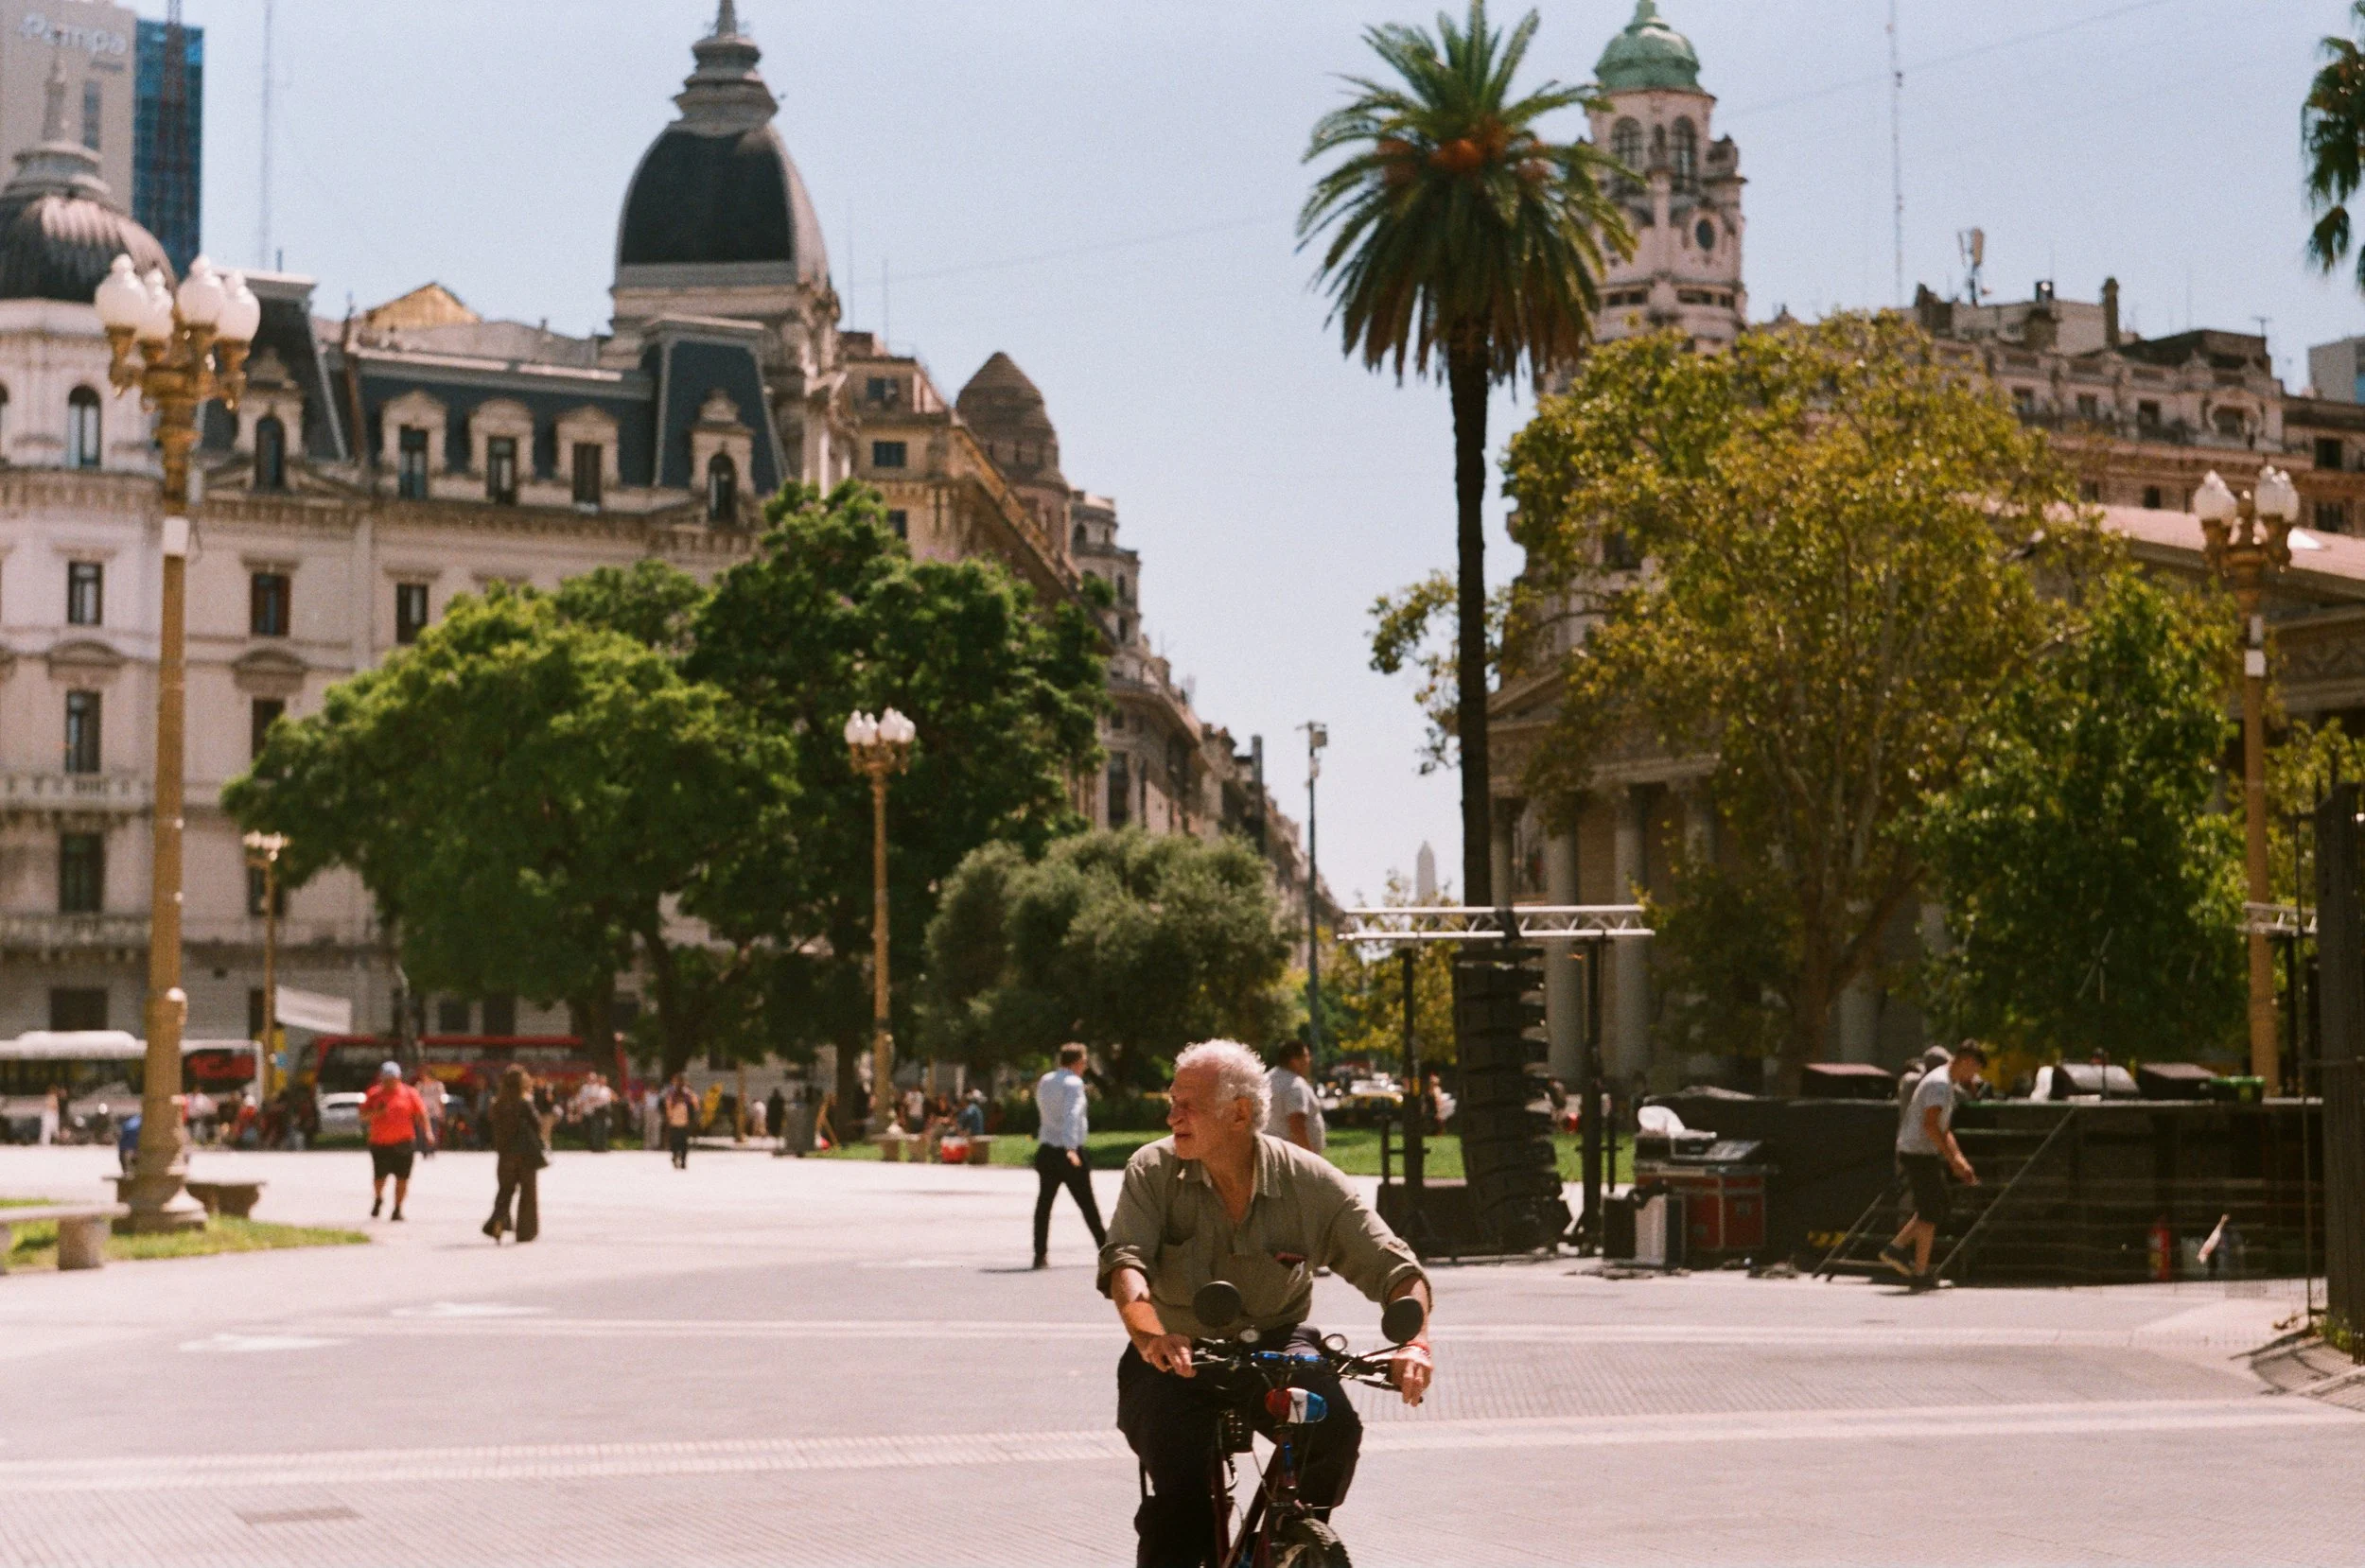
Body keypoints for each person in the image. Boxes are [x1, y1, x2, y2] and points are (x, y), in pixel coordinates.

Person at [1100, 1039, 1434, 1568]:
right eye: (1172, 1102)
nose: (1172, 1116)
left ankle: (1293, 1539)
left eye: (1188, 1105)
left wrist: (1414, 1343)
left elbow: (1396, 1268)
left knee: (1336, 1431)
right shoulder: (1153, 1169)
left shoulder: (1310, 1181)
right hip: (1174, 1353)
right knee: (1180, 1505)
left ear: (1238, 1114)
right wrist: (1149, 1334)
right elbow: (1127, 1265)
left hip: (1276, 1346)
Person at [1882, 1041, 1986, 1288]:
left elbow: (1941, 1127)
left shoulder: (1944, 1082)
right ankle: (1916, 1268)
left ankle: (1900, 1252)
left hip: (1920, 1150)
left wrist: (1958, 1159)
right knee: (1932, 1209)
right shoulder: (1939, 1084)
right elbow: (1930, 1125)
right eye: (1973, 1070)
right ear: (1966, 1061)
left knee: (1937, 1206)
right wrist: (1953, 1159)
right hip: (1917, 1151)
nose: (1972, 1077)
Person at [1033, 1044, 1107, 1269]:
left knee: (1044, 1204)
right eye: (1084, 1062)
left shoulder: (1046, 1080)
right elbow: (1072, 1114)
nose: (1084, 1066)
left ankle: (1040, 1253)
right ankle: (1106, 1251)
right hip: (1068, 1150)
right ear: (1077, 1062)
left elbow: (1043, 1109)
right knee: (1087, 1203)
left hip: (1046, 1147)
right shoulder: (1074, 1083)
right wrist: (1071, 1147)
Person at [483, 1065, 546, 1244]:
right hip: (525, 1154)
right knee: (528, 1193)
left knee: (505, 1190)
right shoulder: (524, 1102)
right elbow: (538, 1124)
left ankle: (498, 1221)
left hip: (505, 1155)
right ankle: (525, 1232)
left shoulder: (497, 1104)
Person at [361, 1061, 427, 1221]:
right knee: (379, 1178)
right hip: (380, 1143)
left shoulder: (410, 1093)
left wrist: (428, 1133)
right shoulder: (374, 1094)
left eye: (392, 1079)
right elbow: (363, 1116)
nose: (388, 1082)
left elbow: (421, 1114)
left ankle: (397, 1209)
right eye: (385, 1079)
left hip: (404, 1142)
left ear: (398, 1078)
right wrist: (377, 1113)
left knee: (402, 1178)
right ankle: (378, 1198)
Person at [1265, 1039, 1326, 1153]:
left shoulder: (1267, 1079)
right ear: (1294, 1061)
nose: (1309, 1060)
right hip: (1293, 1157)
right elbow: (1297, 1124)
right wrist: (1309, 1160)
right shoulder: (1294, 1085)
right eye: (1306, 1056)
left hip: (1273, 1152)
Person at [662, 1073, 698, 1169]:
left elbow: (695, 1104)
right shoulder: (672, 1092)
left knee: (682, 1142)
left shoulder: (687, 1093)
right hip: (678, 1121)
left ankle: (682, 1160)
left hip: (682, 1121)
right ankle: (677, 1157)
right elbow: (668, 1105)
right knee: (677, 1142)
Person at [416, 1074, 447, 1159]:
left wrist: (442, 1113)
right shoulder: (420, 1086)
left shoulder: (438, 1086)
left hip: (434, 1113)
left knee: (434, 1131)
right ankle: (424, 1150)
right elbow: (416, 1099)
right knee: (422, 1132)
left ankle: (432, 1149)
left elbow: (441, 1100)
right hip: (423, 1113)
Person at [765, 1086, 788, 1151]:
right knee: (777, 1131)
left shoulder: (773, 1100)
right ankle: (776, 1142)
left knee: (775, 1130)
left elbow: (769, 1110)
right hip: (777, 1118)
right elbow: (783, 1109)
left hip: (775, 1118)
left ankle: (776, 1142)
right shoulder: (780, 1100)